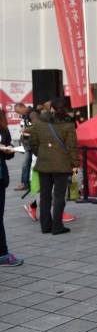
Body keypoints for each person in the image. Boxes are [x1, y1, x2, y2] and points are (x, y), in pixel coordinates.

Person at [29, 98, 79, 235]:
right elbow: (72, 147)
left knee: (45, 196)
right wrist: (75, 164)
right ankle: (57, 226)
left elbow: (33, 142)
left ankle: (45, 226)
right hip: (62, 165)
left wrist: (41, 154)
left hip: (44, 164)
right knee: (59, 196)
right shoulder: (68, 124)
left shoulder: (40, 123)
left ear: (51, 108)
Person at [0, 109, 23, 266]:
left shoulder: (3, 129)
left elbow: (9, 153)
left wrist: (9, 150)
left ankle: (2, 253)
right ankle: (2, 253)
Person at [13, 103, 33, 192]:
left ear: (22, 107)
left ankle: (25, 183)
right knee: (27, 163)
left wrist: (26, 130)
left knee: (26, 163)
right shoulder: (25, 116)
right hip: (27, 142)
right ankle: (25, 183)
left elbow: (36, 127)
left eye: (19, 111)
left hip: (31, 143)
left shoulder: (32, 114)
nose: (19, 114)